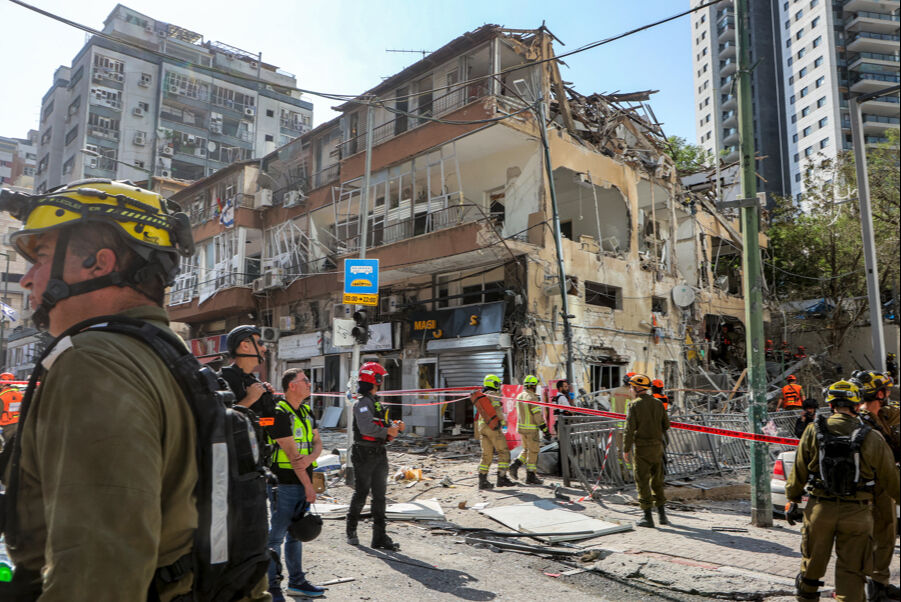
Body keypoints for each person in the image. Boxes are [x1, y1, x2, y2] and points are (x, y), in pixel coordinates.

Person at [0, 180, 268, 599]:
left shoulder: (96, 360)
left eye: (43, 256)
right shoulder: (161, 352)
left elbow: (98, 572)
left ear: (98, 263)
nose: (29, 279)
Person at [785, 380, 900, 602]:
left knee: (811, 567)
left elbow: (798, 471)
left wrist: (793, 499)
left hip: (819, 509)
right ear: (857, 406)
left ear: (830, 405)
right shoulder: (871, 436)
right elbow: (891, 480)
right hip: (858, 514)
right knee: (852, 572)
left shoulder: (812, 430)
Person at [266, 368, 324, 601]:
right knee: (276, 537)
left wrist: (310, 459)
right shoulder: (278, 413)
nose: (310, 384)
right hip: (285, 483)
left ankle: (297, 583)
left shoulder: (308, 411)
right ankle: (271, 587)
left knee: (296, 535)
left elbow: (318, 442)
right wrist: (309, 486)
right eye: (305, 381)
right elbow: (292, 456)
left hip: (302, 479)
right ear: (292, 385)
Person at [850, 370, 900, 601]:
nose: (888, 394)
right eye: (886, 390)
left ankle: (879, 582)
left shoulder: (882, 415)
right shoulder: (859, 419)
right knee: (872, 536)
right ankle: (870, 587)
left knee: (886, 534)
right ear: (878, 393)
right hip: (869, 486)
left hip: (882, 484)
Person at [346, 361, 404, 550]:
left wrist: (395, 428)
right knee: (361, 493)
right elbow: (366, 428)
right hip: (364, 453)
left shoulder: (375, 403)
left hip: (378, 452)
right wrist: (388, 430)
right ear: (374, 379)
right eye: (380, 379)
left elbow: (382, 428)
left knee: (380, 496)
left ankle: (379, 537)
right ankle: (351, 530)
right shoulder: (362, 403)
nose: (382, 383)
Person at [622, 374, 670, 528]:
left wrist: (626, 449)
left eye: (631, 387)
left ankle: (647, 518)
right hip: (657, 447)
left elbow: (629, 430)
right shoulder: (658, 403)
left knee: (642, 481)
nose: (630, 389)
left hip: (642, 449)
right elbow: (666, 425)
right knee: (657, 481)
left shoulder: (634, 405)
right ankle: (662, 516)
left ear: (637, 388)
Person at [220, 325, 277, 420]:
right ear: (245, 346)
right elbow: (220, 421)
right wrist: (250, 399)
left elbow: (265, 422)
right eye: (260, 343)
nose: (264, 349)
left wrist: (267, 398)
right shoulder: (223, 379)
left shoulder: (252, 380)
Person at [472, 374, 514, 490]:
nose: (498, 387)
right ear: (493, 383)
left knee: (486, 455)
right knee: (504, 452)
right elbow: (497, 410)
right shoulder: (493, 395)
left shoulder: (482, 395)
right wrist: (503, 423)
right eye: (497, 384)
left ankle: (483, 480)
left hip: (482, 428)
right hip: (492, 427)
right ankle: (502, 478)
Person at [511, 375, 550, 485]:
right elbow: (537, 416)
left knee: (526, 450)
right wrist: (545, 429)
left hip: (522, 428)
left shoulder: (520, 395)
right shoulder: (532, 398)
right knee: (533, 452)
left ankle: (515, 465)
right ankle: (531, 476)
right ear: (533, 386)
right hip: (531, 429)